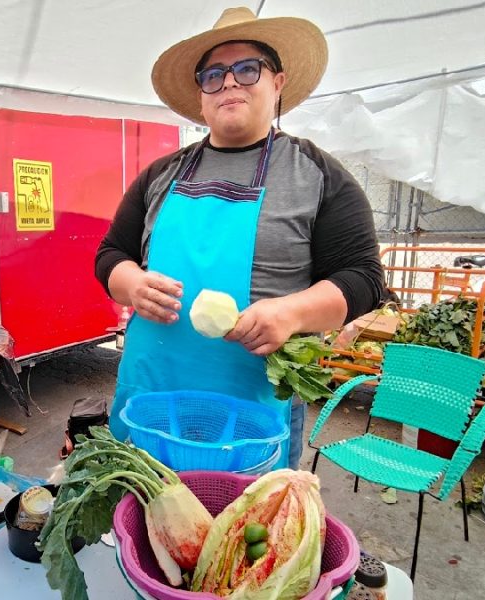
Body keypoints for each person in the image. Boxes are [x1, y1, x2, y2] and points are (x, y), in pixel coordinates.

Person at [94, 7, 385, 468]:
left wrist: (290, 312)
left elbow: (365, 279)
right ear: (202, 94)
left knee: (239, 533)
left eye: (247, 69)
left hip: (251, 407)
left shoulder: (317, 174)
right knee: (146, 519)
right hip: (151, 392)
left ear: (278, 82)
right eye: (213, 75)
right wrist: (131, 283)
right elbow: (111, 254)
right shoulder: (160, 174)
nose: (229, 83)